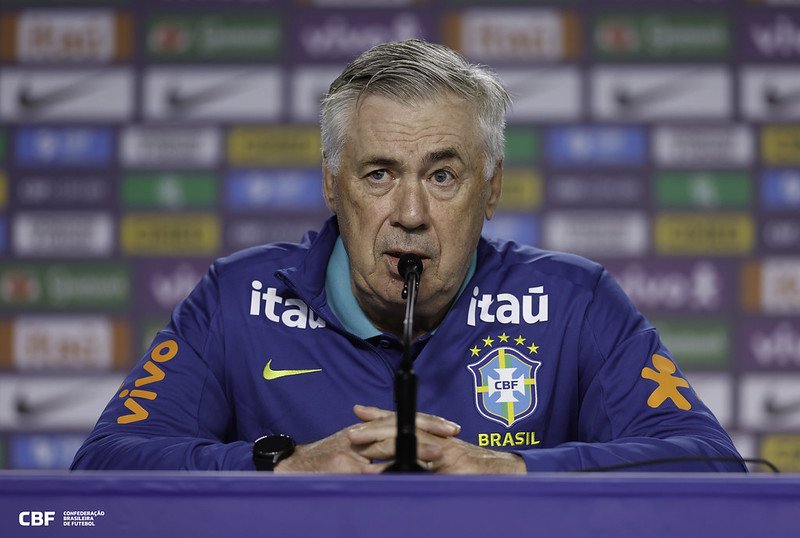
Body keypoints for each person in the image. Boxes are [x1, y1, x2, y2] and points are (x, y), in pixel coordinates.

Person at [71, 39, 745, 473]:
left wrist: (518, 471)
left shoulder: (575, 302)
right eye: (379, 174)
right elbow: (103, 467)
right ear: (332, 185)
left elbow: (711, 466)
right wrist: (279, 464)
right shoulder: (236, 298)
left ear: (492, 189)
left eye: (443, 176)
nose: (412, 214)